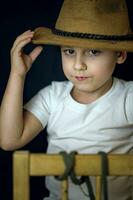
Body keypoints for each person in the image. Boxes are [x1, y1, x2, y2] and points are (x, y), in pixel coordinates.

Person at [0, 0, 133, 199]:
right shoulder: (53, 97)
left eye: (93, 51)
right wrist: (17, 75)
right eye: (69, 51)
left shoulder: (128, 97)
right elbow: (10, 141)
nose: (78, 65)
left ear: (120, 54)